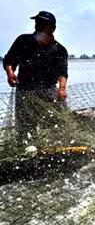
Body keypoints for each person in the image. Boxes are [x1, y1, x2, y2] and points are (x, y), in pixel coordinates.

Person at [3, 11, 68, 144]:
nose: (37, 26)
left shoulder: (59, 49)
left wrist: (62, 89)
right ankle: (26, 149)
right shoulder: (23, 41)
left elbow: (62, 73)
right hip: (25, 91)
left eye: (42, 24)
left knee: (54, 124)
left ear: (52, 28)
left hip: (48, 91)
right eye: (37, 23)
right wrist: (10, 74)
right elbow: (9, 61)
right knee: (25, 127)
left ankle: (53, 149)